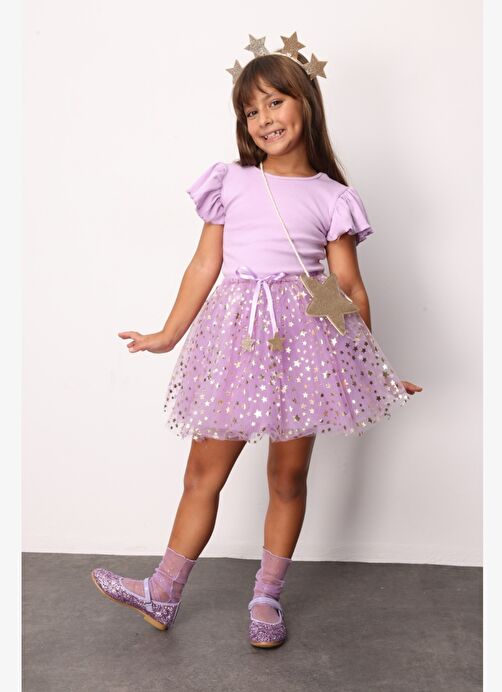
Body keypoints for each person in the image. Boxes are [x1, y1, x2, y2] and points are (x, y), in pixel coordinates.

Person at [91, 32, 423, 648]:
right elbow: (205, 265)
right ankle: (162, 590)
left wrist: (368, 370)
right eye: (251, 110)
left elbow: (344, 289)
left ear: (306, 104)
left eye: (275, 102)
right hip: (237, 346)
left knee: (287, 477)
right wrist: (168, 334)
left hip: (304, 347)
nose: (264, 118)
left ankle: (266, 597)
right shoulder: (234, 181)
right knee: (203, 472)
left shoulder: (331, 197)